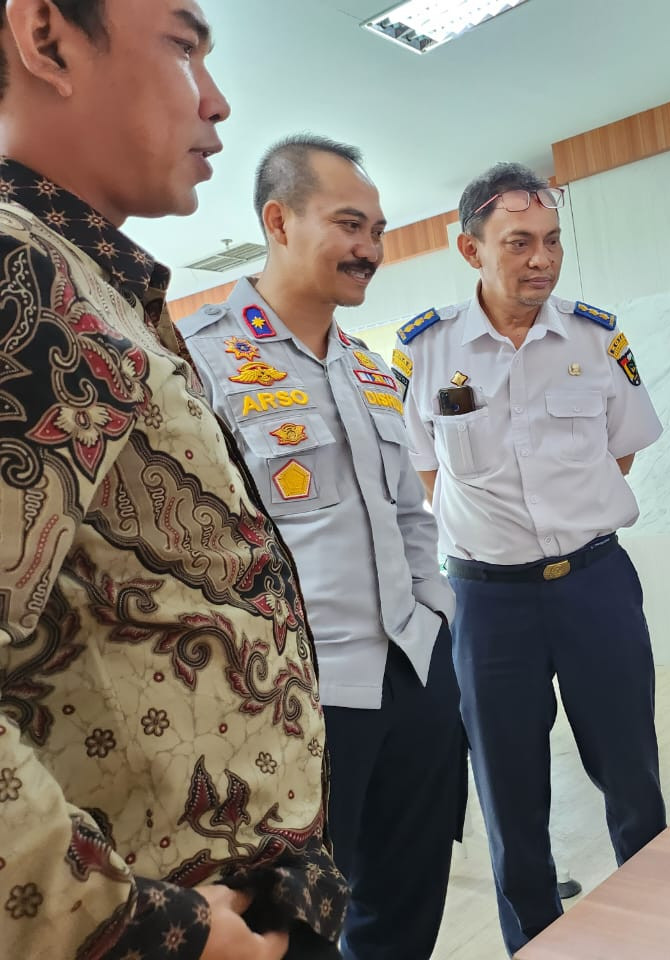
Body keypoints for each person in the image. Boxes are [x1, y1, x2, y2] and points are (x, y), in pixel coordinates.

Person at [0, 3, 345, 959]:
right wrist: (136, 927)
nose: (218, 100)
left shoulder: (92, 280)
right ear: (48, 41)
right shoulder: (18, 274)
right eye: (185, 48)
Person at [177, 136, 465, 960]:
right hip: (295, 700)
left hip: (411, 675)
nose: (369, 248)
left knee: (407, 908)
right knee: (297, 929)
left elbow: (413, 516)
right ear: (278, 220)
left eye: (376, 228)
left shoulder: (370, 369)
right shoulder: (201, 363)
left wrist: (435, 630)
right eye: (349, 224)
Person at [399, 161, 666, 955]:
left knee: (632, 776)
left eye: (551, 241)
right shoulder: (427, 350)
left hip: (595, 586)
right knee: (510, 794)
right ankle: (535, 942)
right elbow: (425, 474)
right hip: (487, 604)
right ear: (470, 248)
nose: (541, 259)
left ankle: (658, 925)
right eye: (518, 242)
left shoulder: (594, 337)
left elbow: (622, 456)